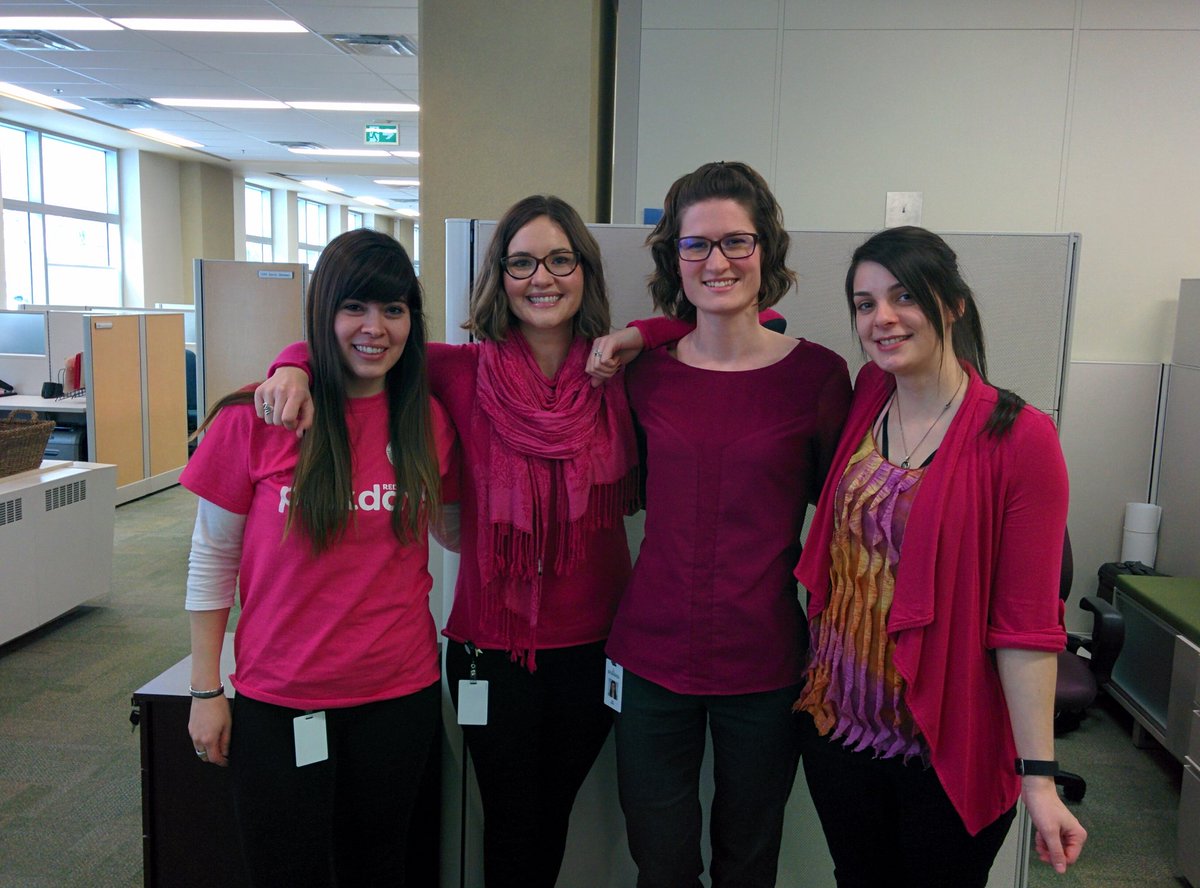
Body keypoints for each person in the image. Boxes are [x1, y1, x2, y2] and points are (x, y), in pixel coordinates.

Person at [254, 196, 642, 888]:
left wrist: (644, 333)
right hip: (488, 652)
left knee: (552, 816)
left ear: (586, 271)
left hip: (596, 648)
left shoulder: (620, 372)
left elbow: (747, 326)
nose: (541, 278)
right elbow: (357, 343)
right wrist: (292, 365)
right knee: (508, 818)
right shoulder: (464, 370)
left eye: (560, 259)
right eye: (521, 262)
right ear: (500, 276)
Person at [793, 225, 1087, 887]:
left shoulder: (1019, 438)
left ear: (952, 303)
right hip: (839, 728)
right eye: (865, 304)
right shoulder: (869, 392)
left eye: (904, 296)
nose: (883, 318)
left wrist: (1039, 779)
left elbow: (1027, 627)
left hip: (943, 744)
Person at [590, 161, 852, 887]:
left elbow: (845, 527)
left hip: (765, 662)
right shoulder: (644, 374)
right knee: (662, 860)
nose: (717, 262)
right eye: (696, 245)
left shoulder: (821, 378)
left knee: (749, 859)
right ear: (674, 258)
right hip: (650, 658)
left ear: (765, 249)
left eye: (736, 242)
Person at [183, 229, 458, 887]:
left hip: (398, 694)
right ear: (322, 313)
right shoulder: (257, 418)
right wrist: (204, 689)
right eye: (355, 307)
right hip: (281, 699)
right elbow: (212, 558)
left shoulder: (427, 421)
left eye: (394, 310)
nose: (375, 327)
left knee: (380, 869)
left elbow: (449, 531)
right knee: (287, 871)